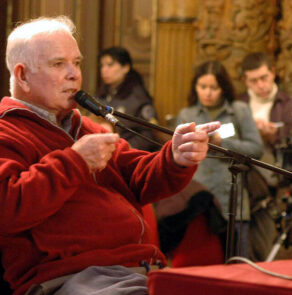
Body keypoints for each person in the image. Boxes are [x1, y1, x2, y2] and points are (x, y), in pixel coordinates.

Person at [0, 16, 220, 295]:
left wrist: (175, 157)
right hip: (69, 276)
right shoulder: (6, 131)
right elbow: (7, 209)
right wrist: (75, 162)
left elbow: (139, 178)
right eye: (59, 64)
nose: (74, 74)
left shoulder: (83, 126)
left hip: (139, 267)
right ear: (22, 75)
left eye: (77, 63)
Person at [176, 60, 264, 258]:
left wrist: (221, 143)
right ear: (195, 87)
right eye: (203, 87)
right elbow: (178, 156)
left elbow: (256, 149)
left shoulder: (239, 110)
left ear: (223, 88)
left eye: (213, 88)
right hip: (198, 203)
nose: (207, 93)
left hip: (233, 201)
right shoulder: (187, 114)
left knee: (237, 266)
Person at [240, 52, 292, 189]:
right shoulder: (238, 105)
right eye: (253, 81)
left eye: (263, 78)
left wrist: (274, 136)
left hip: (279, 170)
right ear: (245, 80)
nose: (260, 85)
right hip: (244, 166)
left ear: (272, 72)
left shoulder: (290, 105)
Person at [95, 46, 159, 152]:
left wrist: (124, 149)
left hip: (126, 154)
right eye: (102, 66)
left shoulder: (138, 97)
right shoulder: (102, 93)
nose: (104, 70)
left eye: (110, 65)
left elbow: (148, 133)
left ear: (125, 67)